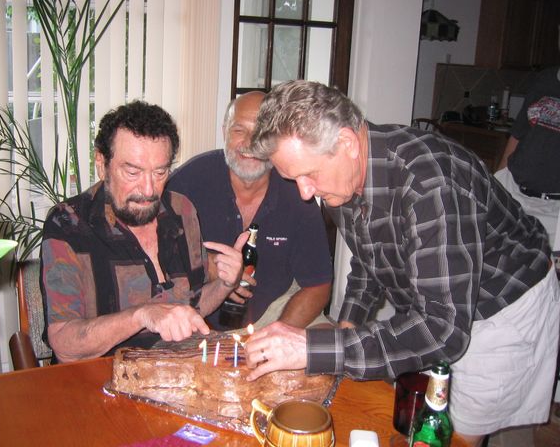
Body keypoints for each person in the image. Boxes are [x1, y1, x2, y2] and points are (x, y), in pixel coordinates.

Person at [243, 80, 560, 447]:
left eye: (308, 175)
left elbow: (442, 331)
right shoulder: (342, 178)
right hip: (439, 308)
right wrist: (347, 325)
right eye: (293, 178)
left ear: (347, 142)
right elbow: (369, 259)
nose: (304, 193)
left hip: (502, 304)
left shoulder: (431, 183)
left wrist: (314, 348)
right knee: (422, 416)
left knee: (458, 434)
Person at [40, 101, 246, 363]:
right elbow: (64, 344)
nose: (149, 190)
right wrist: (141, 315)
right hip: (102, 376)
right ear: (101, 164)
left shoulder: (181, 210)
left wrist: (225, 285)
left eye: (160, 172)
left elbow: (192, 306)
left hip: (178, 369)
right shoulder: (69, 224)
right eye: (132, 172)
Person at [167, 91, 333, 330]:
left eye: (262, 132)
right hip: (195, 313)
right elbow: (148, 249)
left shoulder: (298, 192)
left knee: (327, 340)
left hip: (275, 312)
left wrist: (277, 334)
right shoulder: (188, 181)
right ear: (224, 132)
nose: (250, 142)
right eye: (239, 130)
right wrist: (203, 265)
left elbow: (318, 285)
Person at [496, 66, 560, 253]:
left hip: (554, 209)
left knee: (548, 268)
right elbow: (517, 134)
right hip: (515, 193)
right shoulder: (545, 78)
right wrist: (497, 183)